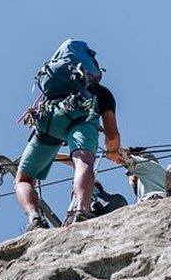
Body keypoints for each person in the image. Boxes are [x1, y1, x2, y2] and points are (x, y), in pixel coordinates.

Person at [15, 40, 123, 232]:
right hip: (80, 117)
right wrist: (113, 152)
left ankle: (35, 219)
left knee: (23, 179)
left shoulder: (53, 89)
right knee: (84, 162)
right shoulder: (100, 92)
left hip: (48, 120)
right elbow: (111, 136)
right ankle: (82, 211)